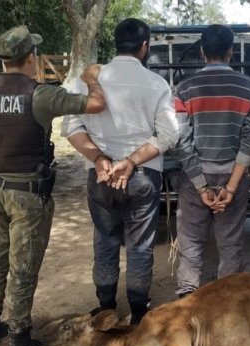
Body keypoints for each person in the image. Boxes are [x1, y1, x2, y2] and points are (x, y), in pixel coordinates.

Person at [0, 25, 106, 346]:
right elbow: (97, 105)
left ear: (2, 60)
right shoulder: (40, 95)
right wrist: (91, 78)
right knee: (23, 269)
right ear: (31, 57)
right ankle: (18, 340)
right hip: (27, 194)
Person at [61, 18, 179, 324]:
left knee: (105, 239)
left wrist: (100, 159)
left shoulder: (87, 82)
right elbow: (168, 136)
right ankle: (139, 313)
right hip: (142, 176)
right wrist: (132, 161)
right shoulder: (157, 85)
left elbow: (71, 127)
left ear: (115, 44)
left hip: (100, 176)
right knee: (140, 246)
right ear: (144, 47)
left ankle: (106, 307)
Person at [173, 24, 250, 297]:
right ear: (230, 52)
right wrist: (232, 187)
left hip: (193, 179)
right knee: (231, 244)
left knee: (190, 244)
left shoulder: (184, 88)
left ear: (202, 52)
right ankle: (227, 305)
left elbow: (182, 142)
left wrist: (200, 186)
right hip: (234, 178)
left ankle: (187, 304)